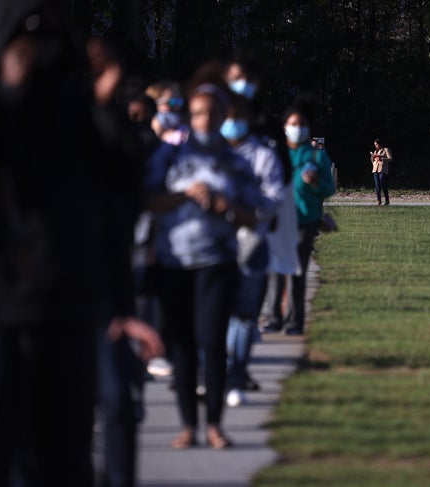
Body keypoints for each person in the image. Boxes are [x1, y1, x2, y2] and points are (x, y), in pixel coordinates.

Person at [0, 4, 161, 486]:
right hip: (4, 314)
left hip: (70, 311)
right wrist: (8, 90)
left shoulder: (80, 121)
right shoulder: (6, 117)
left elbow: (123, 193)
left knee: (64, 455)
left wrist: (104, 102)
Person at [144, 77, 260, 449]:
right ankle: (187, 425)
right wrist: (183, 196)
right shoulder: (169, 155)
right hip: (174, 261)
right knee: (182, 345)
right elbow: (148, 200)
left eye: (212, 113)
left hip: (216, 262)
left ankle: (213, 424)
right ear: (188, 119)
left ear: (224, 115)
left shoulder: (234, 162)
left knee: (211, 341)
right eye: (197, 113)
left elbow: (254, 217)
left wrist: (227, 208)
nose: (204, 120)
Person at [221, 94, 285, 407]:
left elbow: (273, 199)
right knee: (213, 315)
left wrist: (246, 213)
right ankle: (213, 373)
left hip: (250, 241)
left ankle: (235, 376)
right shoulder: (207, 153)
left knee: (244, 315)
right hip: (213, 244)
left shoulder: (263, 155)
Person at [282, 102, 336, 335]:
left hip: (306, 219)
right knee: (276, 272)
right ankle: (275, 316)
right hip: (279, 220)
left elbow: (329, 188)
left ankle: (296, 321)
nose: (297, 128)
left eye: (301, 124)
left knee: (297, 271)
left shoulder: (316, 155)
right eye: (293, 124)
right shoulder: (278, 152)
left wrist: (314, 183)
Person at [371, 138, 393, 205]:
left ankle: (387, 200)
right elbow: (373, 161)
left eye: (376, 144)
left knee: (383, 185)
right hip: (375, 170)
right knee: (377, 185)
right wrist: (372, 158)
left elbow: (390, 159)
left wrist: (382, 158)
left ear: (380, 144)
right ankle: (379, 201)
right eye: (375, 144)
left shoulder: (386, 149)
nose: (375, 146)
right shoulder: (375, 151)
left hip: (383, 170)